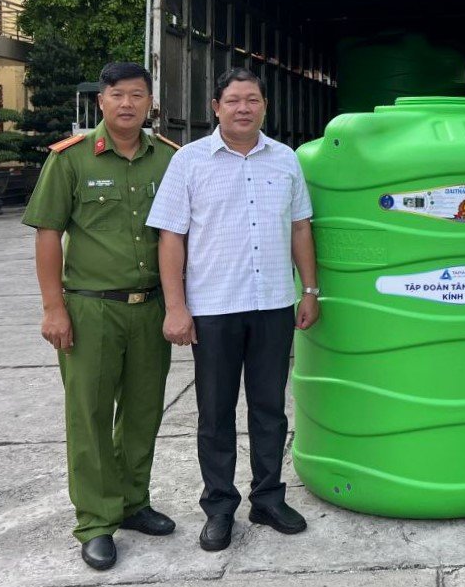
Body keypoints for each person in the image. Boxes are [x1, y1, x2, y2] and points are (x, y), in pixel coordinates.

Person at [147, 67, 320, 552]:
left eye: (253, 99)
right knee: (216, 414)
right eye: (234, 99)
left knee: (270, 410)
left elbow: (301, 228)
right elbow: (171, 237)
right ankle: (219, 506)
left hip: (272, 306)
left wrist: (310, 291)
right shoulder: (190, 162)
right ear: (216, 107)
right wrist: (176, 307)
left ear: (264, 106)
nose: (244, 107)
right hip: (213, 309)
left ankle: (267, 499)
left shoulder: (285, 159)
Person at [22, 62, 179, 571]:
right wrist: (53, 308)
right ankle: (95, 521)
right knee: (88, 416)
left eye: (138, 95)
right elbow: (47, 233)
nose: (128, 104)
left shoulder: (170, 159)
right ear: (101, 102)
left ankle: (134, 502)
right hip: (90, 308)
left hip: (151, 306)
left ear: (150, 102)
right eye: (118, 95)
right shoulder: (69, 161)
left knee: (142, 412)